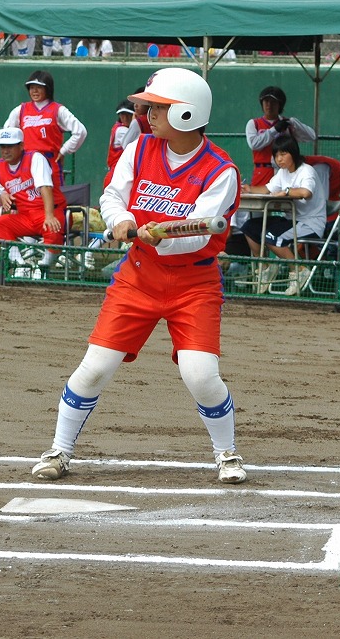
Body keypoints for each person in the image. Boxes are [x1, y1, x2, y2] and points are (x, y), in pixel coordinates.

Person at [30, 67, 246, 484]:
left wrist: (159, 237)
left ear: (186, 113)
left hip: (194, 284)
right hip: (138, 276)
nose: (148, 114)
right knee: (95, 367)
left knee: (200, 375)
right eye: (149, 107)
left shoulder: (221, 170)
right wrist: (123, 220)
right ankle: (59, 450)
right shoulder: (140, 148)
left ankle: (227, 453)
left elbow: (198, 237)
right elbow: (113, 195)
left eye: (158, 108)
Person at [240, 135, 326, 295]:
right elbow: (267, 189)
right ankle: (265, 268)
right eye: (276, 155)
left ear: (293, 153)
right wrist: (249, 189)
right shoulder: (282, 173)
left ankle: (299, 270)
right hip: (290, 220)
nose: (279, 159)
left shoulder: (307, 171)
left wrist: (286, 191)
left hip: (310, 224)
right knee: (249, 228)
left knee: (272, 237)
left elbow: (306, 192)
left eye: (283, 154)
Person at [0, 126, 66, 268]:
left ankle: (44, 267)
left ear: (21, 146)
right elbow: (0, 191)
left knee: (53, 228)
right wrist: (2, 195)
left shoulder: (35, 158)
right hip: (24, 216)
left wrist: (49, 216)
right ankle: (20, 265)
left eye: (10, 146)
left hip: (49, 211)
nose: (5, 151)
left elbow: (45, 187)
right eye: (2, 147)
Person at [3, 70, 87, 191]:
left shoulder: (58, 110)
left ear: (48, 88)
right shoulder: (20, 110)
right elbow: (7, 133)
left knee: (55, 199)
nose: (34, 91)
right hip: (27, 163)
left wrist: (64, 150)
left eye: (39, 87)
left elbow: (80, 131)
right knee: (27, 199)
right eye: (32, 87)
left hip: (50, 162)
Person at [246, 86, 316, 186]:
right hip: (262, 171)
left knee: (285, 196)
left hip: (285, 171)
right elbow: (254, 144)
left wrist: (294, 122)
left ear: (280, 104)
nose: (269, 105)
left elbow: (312, 136)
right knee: (259, 194)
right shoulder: (254, 123)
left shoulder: (287, 124)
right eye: (266, 101)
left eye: (273, 102)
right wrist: (274, 130)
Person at [102, 101, 135, 189]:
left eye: (128, 114)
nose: (125, 118)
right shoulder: (121, 130)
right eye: (122, 115)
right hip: (116, 178)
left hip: (120, 176)